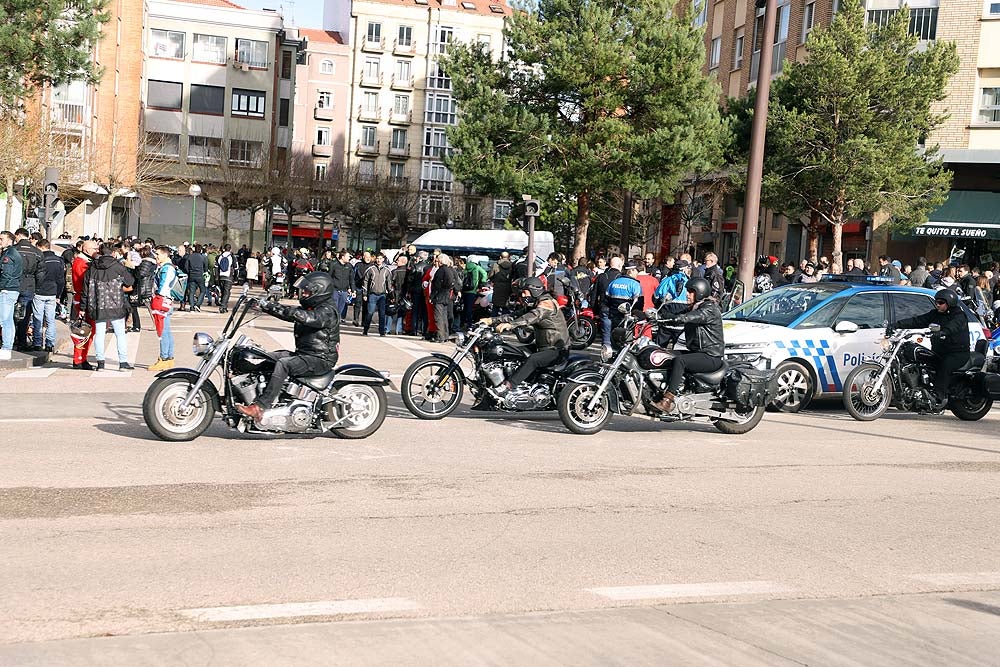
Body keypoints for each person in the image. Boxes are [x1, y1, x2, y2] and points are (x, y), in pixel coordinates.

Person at [236, 272, 341, 423]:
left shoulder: (327, 311)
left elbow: (305, 317)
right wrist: (266, 306)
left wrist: (271, 307)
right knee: (264, 357)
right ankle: (241, 390)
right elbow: (290, 312)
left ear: (319, 291)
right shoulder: (313, 306)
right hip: (304, 354)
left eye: (307, 291)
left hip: (320, 359)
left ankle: (260, 407)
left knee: (284, 364)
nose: (303, 293)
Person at [480, 277, 569, 396]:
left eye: (524, 292)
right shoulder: (535, 304)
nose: (522, 295)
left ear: (534, 290)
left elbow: (531, 317)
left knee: (533, 359)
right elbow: (515, 315)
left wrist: (510, 325)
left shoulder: (546, 303)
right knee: (512, 352)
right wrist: (491, 320)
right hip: (543, 347)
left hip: (557, 350)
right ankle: (522, 388)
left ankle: (508, 386)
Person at [652, 277, 725, 413]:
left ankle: (668, 399)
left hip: (710, 356)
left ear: (700, 293)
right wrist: (654, 315)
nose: (687, 294)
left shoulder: (709, 309)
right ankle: (659, 391)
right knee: (663, 354)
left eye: (691, 291)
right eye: (688, 291)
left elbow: (689, 317)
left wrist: (676, 318)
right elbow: (676, 314)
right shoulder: (694, 307)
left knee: (680, 361)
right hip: (697, 353)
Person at [889, 289, 971, 405]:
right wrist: (896, 325)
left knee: (946, 365)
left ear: (950, 303)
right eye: (936, 302)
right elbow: (917, 321)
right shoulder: (935, 314)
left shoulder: (959, 315)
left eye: (941, 302)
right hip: (939, 351)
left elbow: (954, 326)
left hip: (957, 353)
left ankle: (938, 396)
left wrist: (943, 332)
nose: (938, 304)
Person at [80, 243, 135, 371]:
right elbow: (130, 282)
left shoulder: (92, 267)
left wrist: (83, 308)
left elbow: (85, 290)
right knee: (120, 334)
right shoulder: (118, 266)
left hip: (98, 305)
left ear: (99, 251)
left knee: (99, 334)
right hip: (116, 305)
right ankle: (123, 363)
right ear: (113, 253)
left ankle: (100, 363)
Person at [31, 239, 65, 353]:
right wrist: (58, 294)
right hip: (52, 292)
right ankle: (50, 343)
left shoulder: (39, 259)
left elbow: (36, 275)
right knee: (50, 319)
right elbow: (61, 280)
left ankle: (37, 343)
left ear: (40, 247)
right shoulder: (58, 260)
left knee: (38, 318)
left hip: (39, 291)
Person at [13, 228, 43, 351]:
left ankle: (10, 339)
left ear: (18, 235)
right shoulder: (36, 252)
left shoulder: (13, 250)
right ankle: (22, 341)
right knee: (25, 314)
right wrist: (37, 286)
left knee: (10, 312)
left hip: (14, 283)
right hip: (30, 284)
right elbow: (41, 272)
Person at [149, 245, 178, 371]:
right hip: (166, 301)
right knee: (166, 331)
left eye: (158, 254)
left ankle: (164, 358)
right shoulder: (167, 267)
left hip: (162, 300)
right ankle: (169, 358)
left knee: (162, 331)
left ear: (165, 255)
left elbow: (164, 286)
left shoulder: (166, 269)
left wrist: (158, 296)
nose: (156, 256)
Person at [71, 240, 98, 370]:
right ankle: (79, 358)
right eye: (95, 248)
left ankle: (82, 357)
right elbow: (85, 282)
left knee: (88, 331)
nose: (97, 251)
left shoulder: (83, 261)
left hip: (84, 298)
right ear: (87, 250)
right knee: (83, 331)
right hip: (83, 299)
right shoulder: (81, 263)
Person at [0, 231, 23, 360]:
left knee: (5, 320)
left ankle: (6, 347)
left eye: (2, 238)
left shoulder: (8, 255)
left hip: (7, 290)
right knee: (8, 320)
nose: (0, 241)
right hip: (11, 289)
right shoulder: (12, 253)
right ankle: (7, 346)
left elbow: (6, 274)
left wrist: (2, 287)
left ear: (10, 240)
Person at [593, 255, 623, 356]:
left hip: (604, 307)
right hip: (618, 308)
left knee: (606, 333)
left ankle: (605, 354)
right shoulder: (621, 277)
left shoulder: (602, 276)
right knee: (617, 333)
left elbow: (594, 294)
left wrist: (595, 310)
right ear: (619, 265)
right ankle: (616, 355)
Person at [362, 252, 392, 336]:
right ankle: (365, 330)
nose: (379, 260)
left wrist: (391, 295)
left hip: (382, 295)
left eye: (380, 258)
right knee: (370, 312)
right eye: (377, 258)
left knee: (382, 314)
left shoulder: (387, 270)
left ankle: (382, 332)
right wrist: (364, 294)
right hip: (372, 294)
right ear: (375, 259)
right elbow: (365, 281)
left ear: (383, 259)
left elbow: (389, 283)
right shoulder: (371, 269)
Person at [430, 254, 456, 343]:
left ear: (440, 261)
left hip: (439, 296)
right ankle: (445, 335)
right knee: (444, 317)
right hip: (446, 295)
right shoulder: (449, 270)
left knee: (438, 317)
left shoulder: (440, 271)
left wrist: (432, 296)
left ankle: (440, 336)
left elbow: (436, 285)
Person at [459, 256, 488, 328]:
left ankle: (462, 323)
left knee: (464, 307)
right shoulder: (477, 267)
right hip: (472, 290)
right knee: (470, 308)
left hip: (464, 290)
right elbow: (484, 274)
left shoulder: (466, 268)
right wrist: (482, 283)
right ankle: (469, 324)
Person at [330, 249, 353, 319]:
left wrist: (353, 290)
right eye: (348, 256)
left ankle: (337, 322)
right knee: (334, 309)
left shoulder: (349, 266)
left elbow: (351, 279)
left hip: (344, 291)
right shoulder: (334, 264)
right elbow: (329, 276)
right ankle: (333, 324)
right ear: (343, 257)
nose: (349, 258)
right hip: (335, 291)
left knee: (340, 310)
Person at [184, 244, 207, 311]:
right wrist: (204, 271)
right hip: (200, 275)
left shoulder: (190, 256)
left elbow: (186, 266)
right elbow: (206, 267)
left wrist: (189, 272)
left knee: (191, 291)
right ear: (201, 250)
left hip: (191, 275)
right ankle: (198, 304)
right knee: (203, 290)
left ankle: (191, 306)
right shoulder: (203, 257)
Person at [490, 251, 514, 316]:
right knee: (505, 306)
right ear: (509, 257)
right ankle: (504, 321)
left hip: (498, 287)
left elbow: (491, 275)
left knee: (495, 306)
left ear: (500, 257)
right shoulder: (512, 265)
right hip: (507, 287)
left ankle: (492, 321)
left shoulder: (496, 265)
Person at [216, 244, 235, 313]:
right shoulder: (232, 257)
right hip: (228, 276)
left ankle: (224, 307)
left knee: (223, 292)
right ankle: (222, 306)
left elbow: (216, 268)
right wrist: (235, 277)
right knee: (227, 292)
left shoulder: (219, 257)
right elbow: (236, 268)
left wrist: (217, 277)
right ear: (230, 249)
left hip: (221, 276)